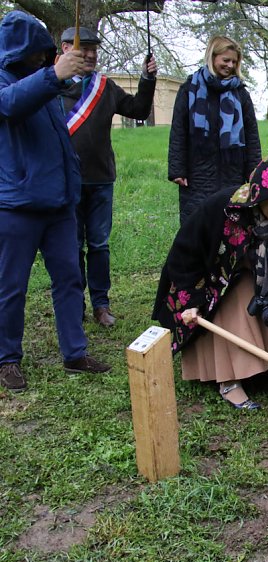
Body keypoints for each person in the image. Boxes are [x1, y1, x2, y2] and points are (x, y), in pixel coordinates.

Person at [153, 149, 268, 410]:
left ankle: (263, 361)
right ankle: (229, 379)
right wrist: (191, 301)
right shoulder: (221, 208)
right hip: (209, 285)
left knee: (251, 292)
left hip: (251, 282)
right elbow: (184, 254)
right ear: (259, 196)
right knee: (237, 298)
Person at [0, 11, 111, 392]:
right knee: (11, 285)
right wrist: (53, 74)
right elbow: (10, 105)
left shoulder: (47, 81)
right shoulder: (11, 82)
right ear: (19, 50)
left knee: (69, 279)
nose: (41, 58)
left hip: (61, 201)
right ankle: (7, 359)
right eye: (36, 52)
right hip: (17, 204)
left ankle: (75, 353)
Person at [59, 26, 158, 328]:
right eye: (83, 48)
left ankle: (101, 303)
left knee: (99, 245)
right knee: (72, 246)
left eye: (93, 49)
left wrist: (148, 78)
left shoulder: (105, 86)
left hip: (101, 179)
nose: (89, 55)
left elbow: (139, 109)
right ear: (65, 49)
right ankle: (75, 304)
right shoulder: (52, 85)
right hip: (65, 180)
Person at [168, 35, 260, 225]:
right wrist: (177, 169)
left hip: (232, 171)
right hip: (198, 172)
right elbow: (179, 130)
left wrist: (254, 171)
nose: (230, 65)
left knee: (231, 226)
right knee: (196, 226)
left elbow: (252, 136)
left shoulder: (240, 93)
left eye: (234, 62)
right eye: (225, 60)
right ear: (212, 57)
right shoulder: (189, 89)